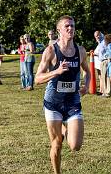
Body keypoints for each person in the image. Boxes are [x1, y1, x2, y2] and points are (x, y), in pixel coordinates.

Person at [34, 15, 90, 174]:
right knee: (57, 143)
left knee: (75, 146)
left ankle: (65, 128)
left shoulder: (80, 51)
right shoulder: (51, 51)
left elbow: (87, 71)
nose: (70, 29)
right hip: (53, 103)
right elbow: (38, 78)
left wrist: (87, 85)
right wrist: (57, 71)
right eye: (67, 26)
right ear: (59, 30)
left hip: (73, 102)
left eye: (72, 26)